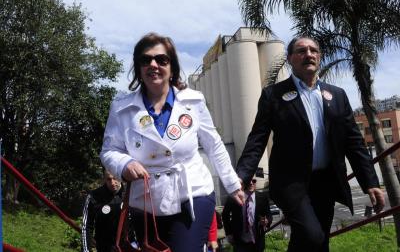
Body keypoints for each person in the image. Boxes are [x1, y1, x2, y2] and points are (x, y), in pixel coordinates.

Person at [236, 36, 385, 252]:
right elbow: (257, 139)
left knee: (319, 240)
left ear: (320, 56)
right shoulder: (273, 95)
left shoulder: (337, 95)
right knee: (312, 236)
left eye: (313, 50)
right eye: (301, 50)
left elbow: (354, 143)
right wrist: (242, 175)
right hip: (290, 182)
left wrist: (370, 182)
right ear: (290, 58)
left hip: (326, 181)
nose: (309, 54)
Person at [100, 32, 244, 252]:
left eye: (161, 60)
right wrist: (125, 165)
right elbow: (109, 151)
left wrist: (233, 185)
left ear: (172, 67)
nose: (153, 64)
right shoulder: (121, 108)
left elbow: (213, 145)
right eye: (146, 60)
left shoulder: (193, 102)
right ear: (138, 67)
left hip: (192, 195)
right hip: (146, 202)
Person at [222, 178, 271, 252]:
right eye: (248, 181)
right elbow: (225, 215)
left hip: (257, 241)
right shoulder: (234, 197)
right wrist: (229, 233)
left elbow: (269, 214)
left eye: (254, 181)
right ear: (242, 183)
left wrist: (267, 221)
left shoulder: (262, 197)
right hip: (240, 241)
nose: (251, 183)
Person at [82, 169, 125, 252]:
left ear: (120, 177)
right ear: (104, 179)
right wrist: (86, 250)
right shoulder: (94, 196)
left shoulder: (130, 194)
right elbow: (86, 226)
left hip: (128, 245)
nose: (112, 183)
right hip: (104, 247)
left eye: (115, 178)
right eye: (109, 179)